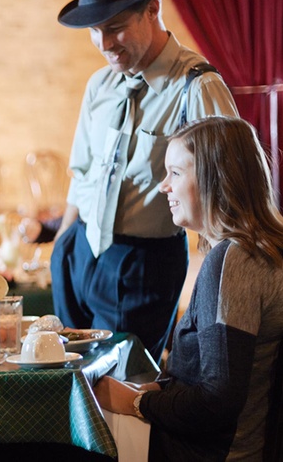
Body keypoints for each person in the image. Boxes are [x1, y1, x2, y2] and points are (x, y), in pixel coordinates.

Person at [51, 0, 239, 361]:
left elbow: (231, 196)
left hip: (143, 265)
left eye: (115, 27)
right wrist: (64, 248)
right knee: (72, 380)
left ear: (152, 9)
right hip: (78, 251)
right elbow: (79, 173)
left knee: (126, 390)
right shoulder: (99, 85)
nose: (104, 44)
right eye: (95, 30)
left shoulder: (197, 86)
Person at [94, 116, 283, 460]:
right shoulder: (259, 248)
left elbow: (218, 399)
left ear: (216, 178)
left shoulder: (234, 260)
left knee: (26, 446)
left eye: (175, 173)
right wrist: (151, 390)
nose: (163, 186)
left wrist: (136, 402)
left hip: (203, 451)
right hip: (207, 442)